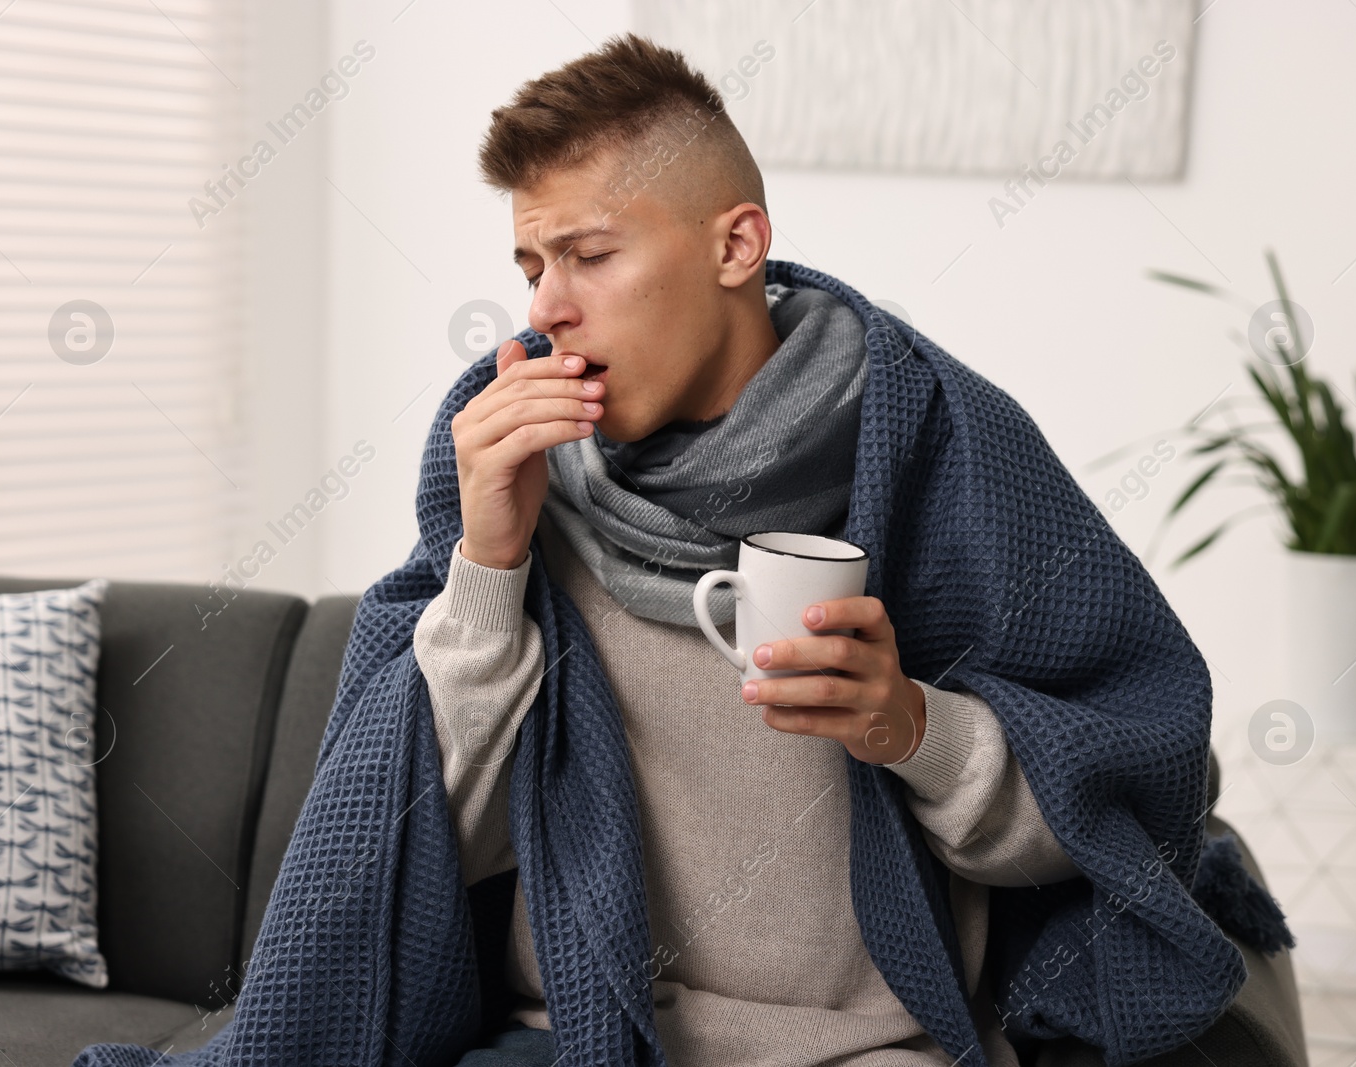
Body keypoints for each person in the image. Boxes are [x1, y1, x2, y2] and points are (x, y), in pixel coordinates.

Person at [413, 32, 1088, 1067]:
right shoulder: (512, 469)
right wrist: (489, 566)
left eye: (590, 255)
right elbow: (419, 845)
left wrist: (911, 724)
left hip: (863, 1049)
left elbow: (1092, 818)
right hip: (568, 1039)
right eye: (532, 264)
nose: (546, 306)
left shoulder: (934, 443)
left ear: (736, 247)